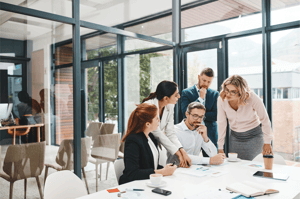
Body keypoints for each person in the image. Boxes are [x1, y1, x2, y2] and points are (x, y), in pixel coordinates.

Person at [217, 75, 273, 160]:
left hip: (254, 137)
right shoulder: (222, 99)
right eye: (227, 90)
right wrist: (220, 147)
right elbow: (221, 123)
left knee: (252, 167)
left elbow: (265, 120)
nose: (228, 94)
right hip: (235, 137)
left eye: (233, 92)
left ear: (241, 92)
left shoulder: (252, 98)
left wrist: (267, 142)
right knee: (236, 166)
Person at [119, 103, 177, 185]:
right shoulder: (132, 141)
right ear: (147, 124)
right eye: (156, 118)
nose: (159, 120)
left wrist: (165, 169)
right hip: (134, 185)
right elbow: (132, 173)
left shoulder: (151, 136)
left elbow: (151, 165)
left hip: (148, 182)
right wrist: (162, 172)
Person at [142, 80, 191, 168]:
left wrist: (182, 151)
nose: (179, 96)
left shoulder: (170, 105)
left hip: (154, 143)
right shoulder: (149, 106)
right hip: (142, 142)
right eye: (176, 95)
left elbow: (170, 132)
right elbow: (158, 134)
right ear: (165, 98)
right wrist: (178, 154)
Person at [181, 68, 219, 157]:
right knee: (191, 158)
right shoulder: (186, 93)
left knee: (212, 157)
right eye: (204, 80)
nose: (206, 84)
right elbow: (185, 112)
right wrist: (200, 98)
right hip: (191, 131)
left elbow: (216, 115)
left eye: (209, 82)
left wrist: (196, 115)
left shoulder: (215, 94)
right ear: (199, 77)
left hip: (209, 132)